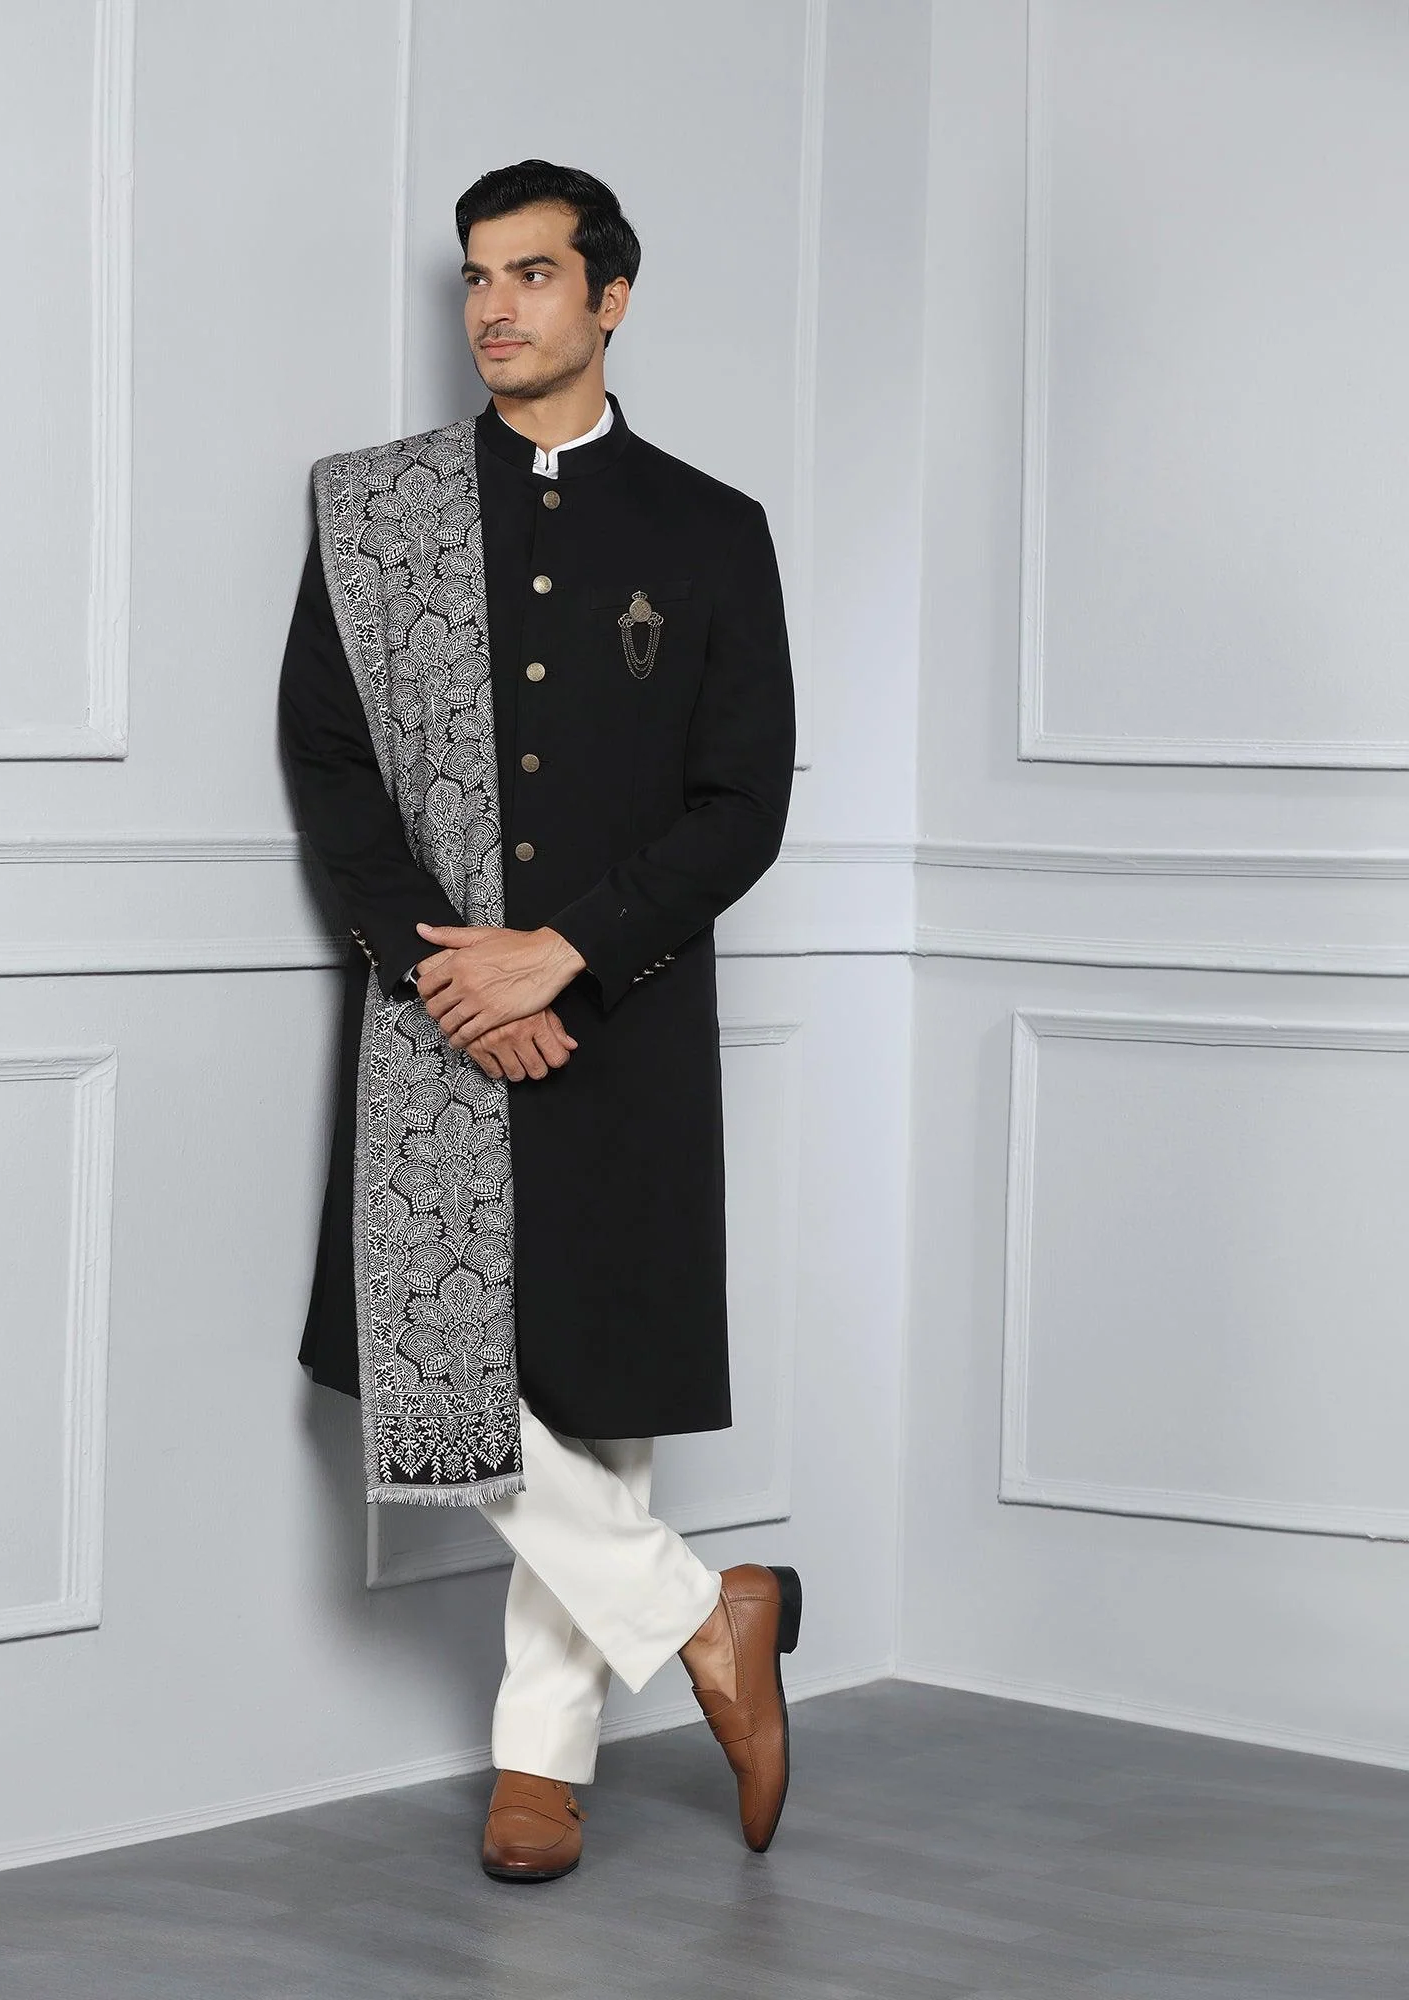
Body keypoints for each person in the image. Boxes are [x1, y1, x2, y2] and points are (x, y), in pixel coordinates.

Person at [277, 159, 799, 1881]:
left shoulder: (710, 529)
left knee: (599, 1370)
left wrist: (564, 953)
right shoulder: (376, 512)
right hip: (433, 1004)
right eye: (476, 278)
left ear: (611, 297)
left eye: (532, 274)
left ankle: (539, 1763)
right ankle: (707, 1616)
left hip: (623, 1007)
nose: (494, 308)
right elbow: (330, 761)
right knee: (434, 1360)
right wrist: (449, 973)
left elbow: (741, 806)